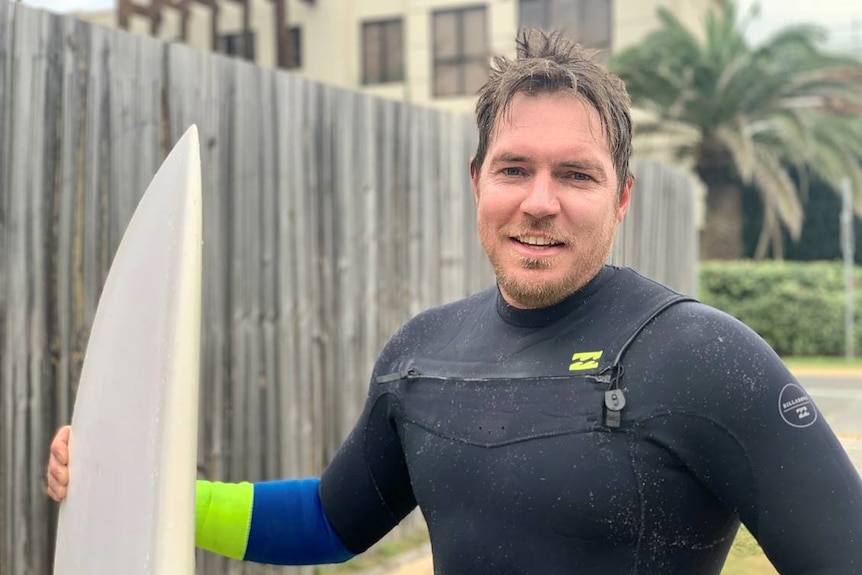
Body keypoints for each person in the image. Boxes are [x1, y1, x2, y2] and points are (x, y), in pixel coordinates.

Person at [47, 30, 862, 574]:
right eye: (514, 168)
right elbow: (330, 522)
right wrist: (143, 487)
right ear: (477, 183)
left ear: (622, 199)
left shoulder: (704, 359)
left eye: (576, 174)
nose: (540, 201)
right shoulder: (421, 356)